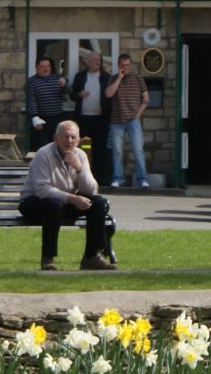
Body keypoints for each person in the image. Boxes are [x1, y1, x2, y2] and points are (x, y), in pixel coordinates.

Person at [18, 119, 116, 271]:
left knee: (98, 203)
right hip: (34, 202)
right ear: (55, 138)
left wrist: (79, 169)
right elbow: (42, 189)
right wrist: (72, 198)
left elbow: (91, 190)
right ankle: (47, 259)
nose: (69, 141)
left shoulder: (81, 155)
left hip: (63, 202)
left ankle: (92, 256)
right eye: (65, 137)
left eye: (73, 137)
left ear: (78, 140)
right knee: (53, 205)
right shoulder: (43, 154)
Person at [67, 51, 114, 183]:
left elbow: (111, 97)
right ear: (87, 62)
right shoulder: (80, 76)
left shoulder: (106, 77)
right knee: (85, 148)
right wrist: (79, 94)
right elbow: (72, 95)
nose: (97, 62)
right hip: (84, 119)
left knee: (100, 148)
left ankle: (99, 178)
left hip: (101, 119)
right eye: (95, 60)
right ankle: (84, 175)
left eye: (99, 60)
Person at [105, 52, 150, 189]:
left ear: (131, 65)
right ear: (119, 65)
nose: (125, 67)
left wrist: (138, 115)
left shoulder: (138, 78)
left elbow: (146, 99)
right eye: (123, 65)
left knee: (138, 150)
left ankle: (142, 179)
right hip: (116, 120)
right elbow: (108, 94)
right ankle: (118, 178)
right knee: (117, 151)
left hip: (133, 120)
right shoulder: (113, 79)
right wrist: (119, 78)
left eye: (127, 65)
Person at [25, 56, 66, 149]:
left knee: (58, 147)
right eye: (43, 66)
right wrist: (35, 117)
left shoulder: (57, 78)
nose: (46, 68)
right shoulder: (32, 81)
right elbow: (31, 100)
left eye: (48, 66)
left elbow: (70, 92)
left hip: (57, 119)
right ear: (37, 68)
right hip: (41, 120)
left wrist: (64, 85)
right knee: (42, 148)